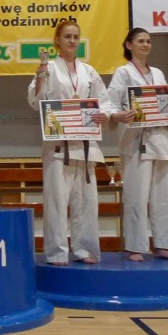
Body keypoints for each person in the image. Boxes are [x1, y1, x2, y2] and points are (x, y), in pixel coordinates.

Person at [28, 20, 116, 265]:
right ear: (57, 40)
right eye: (67, 36)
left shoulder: (89, 71)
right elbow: (36, 102)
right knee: (57, 201)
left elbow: (105, 102)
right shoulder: (48, 67)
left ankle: (85, 249)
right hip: (59, 146)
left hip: (85, 146)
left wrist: (105, 115)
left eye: (76, 36)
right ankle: (56, 252)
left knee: (86, 202)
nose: (72, 40)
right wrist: (41, 76)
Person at [107, 28, 168, 261]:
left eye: (148, 41)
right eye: (140, 41)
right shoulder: (123, 72)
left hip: (160, 140)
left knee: (166, 195)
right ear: (128, 45)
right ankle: (135, 246)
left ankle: (164, 244)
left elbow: (164, 105)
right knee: (136, 196)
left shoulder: (158, 73)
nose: (145, 44)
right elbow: (110, 104)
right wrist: (118, 115)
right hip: (135, 141)